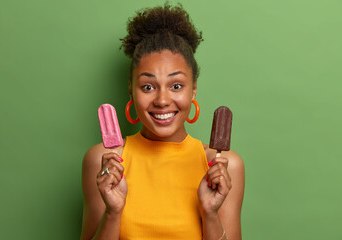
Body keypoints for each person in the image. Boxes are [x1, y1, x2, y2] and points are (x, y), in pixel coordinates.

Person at [80, 3, 245, 240]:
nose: (162, 100)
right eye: (148, 86)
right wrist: (113, 212)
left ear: (193, 90)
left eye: (176, 85)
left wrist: (210, 214)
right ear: (131, 91)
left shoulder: (225, 166)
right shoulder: (103, 162)